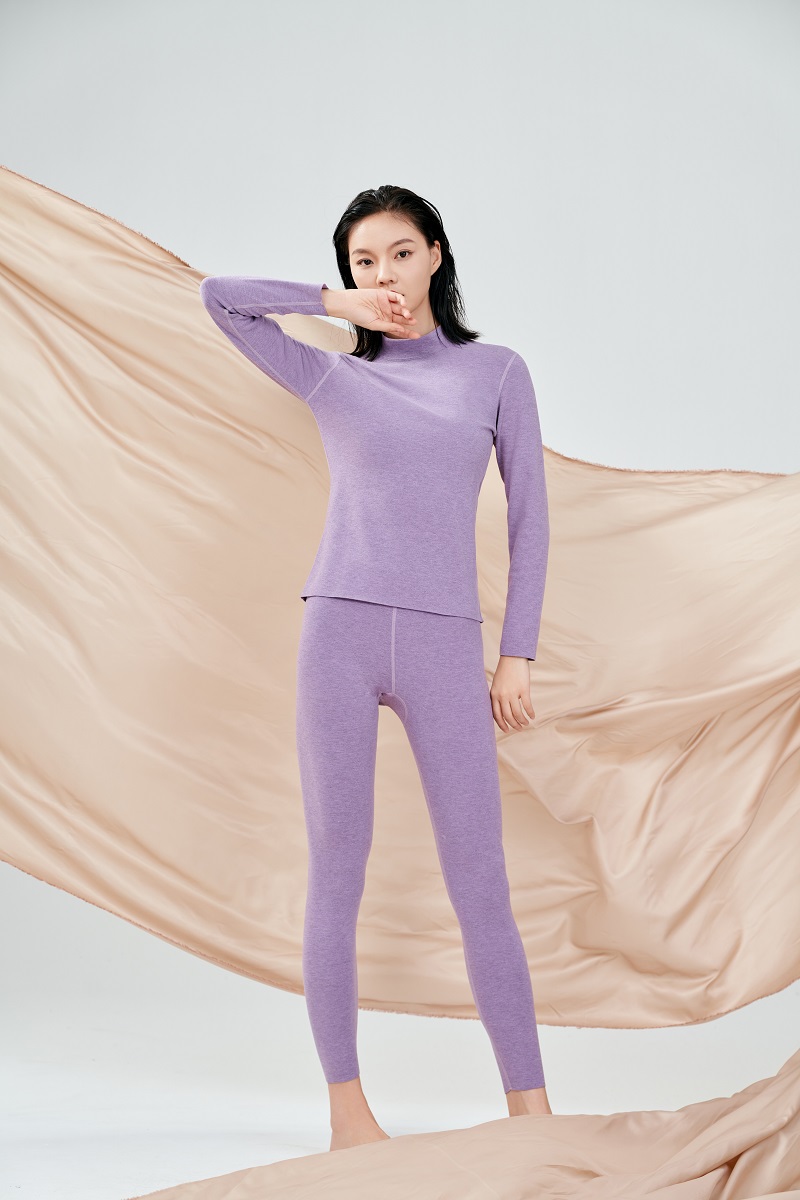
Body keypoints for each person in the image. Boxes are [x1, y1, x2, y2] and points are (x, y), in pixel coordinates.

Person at [199, 185, 552, 1150]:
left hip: (445, 641)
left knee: (480, 881)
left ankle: (533, 1114)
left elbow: (530, 519)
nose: (385, 273)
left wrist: (516, 652)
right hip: (340, 636)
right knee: (337, 871)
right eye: (364, 261)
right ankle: (348, 1114)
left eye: (400, 253)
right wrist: (334, 305)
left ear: (435, 253)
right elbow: (219, 298)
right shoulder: (332, 377)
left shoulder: (495, 373)